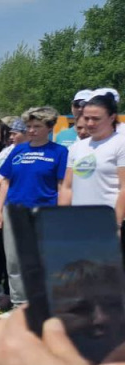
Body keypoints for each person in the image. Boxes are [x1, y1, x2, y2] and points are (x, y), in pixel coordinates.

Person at [0, 108, 68, 310]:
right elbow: (5, 182)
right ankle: (19, 305)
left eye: (37, 126)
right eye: (29, 126)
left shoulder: (60, 152)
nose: (32, 130)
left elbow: (62, 186)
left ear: (49, 128)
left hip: (44, 212)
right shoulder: (18, 150)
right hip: (15, 211)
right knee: (15, 262)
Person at [60, 92, 125, 257]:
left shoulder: (120, 144)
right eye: (86, 118)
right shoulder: (77, 148)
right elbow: (67, 187)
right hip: (79, 224)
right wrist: (61, 221)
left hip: (108, 223)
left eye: (96, 119)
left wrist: (116, 225)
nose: (90, 123)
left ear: (111, 117)